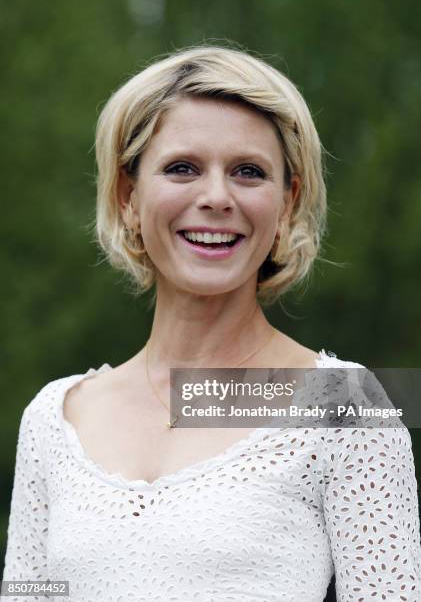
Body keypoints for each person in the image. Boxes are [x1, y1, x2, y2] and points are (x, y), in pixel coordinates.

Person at [2, 44, 420, 602]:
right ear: (128, 196)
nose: (217, 197)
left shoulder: (346, 406)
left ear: (288, 205)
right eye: (182, 168)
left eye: (248, 172)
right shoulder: (54, 418)